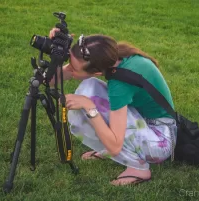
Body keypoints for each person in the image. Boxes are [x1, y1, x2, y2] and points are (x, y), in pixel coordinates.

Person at [48, 28, 177, 186]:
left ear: (96, 72)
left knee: (90, 101)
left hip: (160, 140)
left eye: (73, 68)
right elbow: (50, 81)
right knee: (89, 89)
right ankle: (117, 148)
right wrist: (56, 53)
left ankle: (139, 169)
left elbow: (116, 146)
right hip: (148, 122)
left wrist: (89, 107)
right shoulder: (114, 56)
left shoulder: (120, 84)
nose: (69, 70)